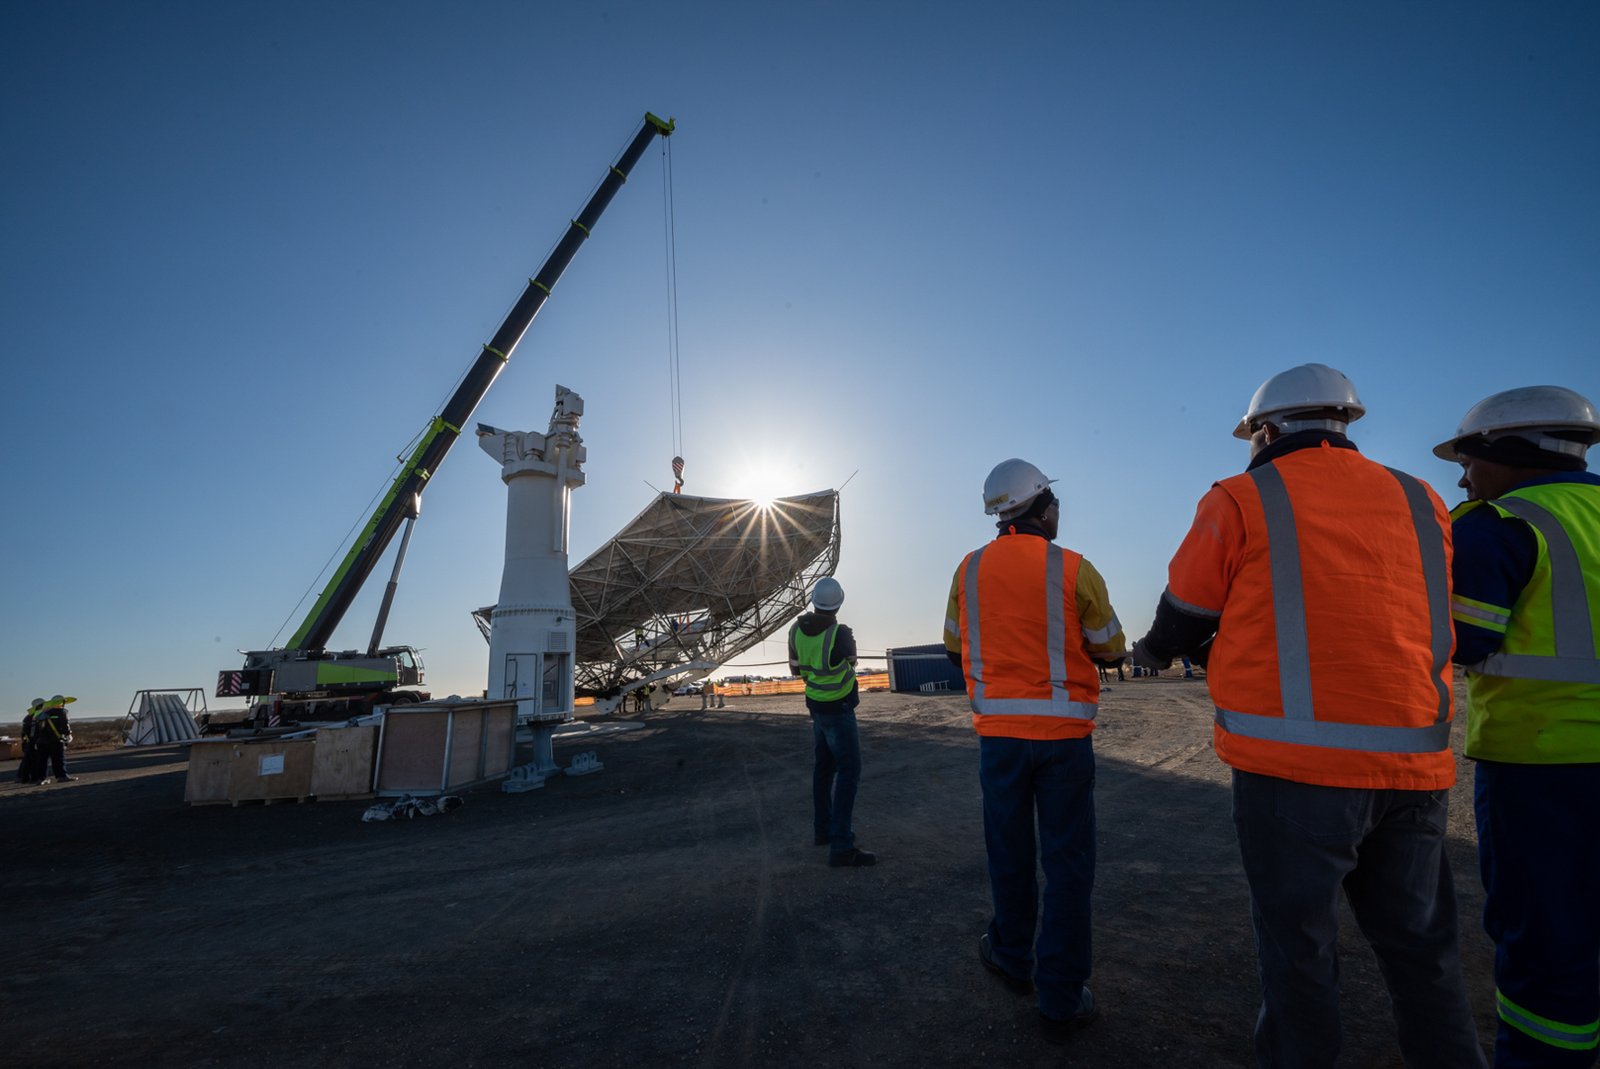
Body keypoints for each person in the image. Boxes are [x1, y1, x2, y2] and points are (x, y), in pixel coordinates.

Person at [1130, 364, 1485, 1068]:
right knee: (1423, 953)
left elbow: (1187, 612)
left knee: (1299, 954)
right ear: (1343, 423)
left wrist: (1156, 649)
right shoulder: (1421, 498)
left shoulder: (1242, 496)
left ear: (1265, 431)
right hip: (1413, 766)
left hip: (1295, 772)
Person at [1434, 385, 1600, 1068]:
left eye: (1468, 461)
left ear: (1508, 451)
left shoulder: (1500, 522)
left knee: (1547, 942)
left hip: (1545, 767)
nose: (1463, 479)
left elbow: (1463, 639)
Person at [944, 458, 1125, 1044]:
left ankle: (1011, 955)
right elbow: (1111, 648)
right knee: (1068, 865)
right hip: (1064, 744)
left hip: (1000, 741)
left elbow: (953, 647)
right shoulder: (1074, 569)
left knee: (1010, 852)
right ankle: (1062, 998)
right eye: (1055, 504)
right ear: (1042, 509)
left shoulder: (968, 570)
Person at [788, 576, 874, 867]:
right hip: (839, 708)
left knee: (824, 769)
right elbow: (851, 662)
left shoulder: (794, 631)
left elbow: (796, 670)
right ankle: (841, 845)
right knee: (849, 772)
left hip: (816, 707)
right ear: (838, 604)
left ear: (814, 601)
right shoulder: (840, 633)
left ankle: (823, 830)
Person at [34, 694, 75, 783]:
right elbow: (65, 725)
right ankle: (61, 776)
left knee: (42, 761)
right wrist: (68, 734)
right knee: (58, 759)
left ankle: (41, 778)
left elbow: (37, 728)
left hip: (41, 741)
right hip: (55, 740)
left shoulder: (43, 714)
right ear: (61, 702)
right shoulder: (62, 712)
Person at [17, 698, 45, 784]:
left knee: (27, 760)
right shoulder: (38, 716)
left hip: (28, 741)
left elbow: (24, 732)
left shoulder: (28, 717)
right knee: (35, 760)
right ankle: (34, 778)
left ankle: (23, 778)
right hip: (34, 741)